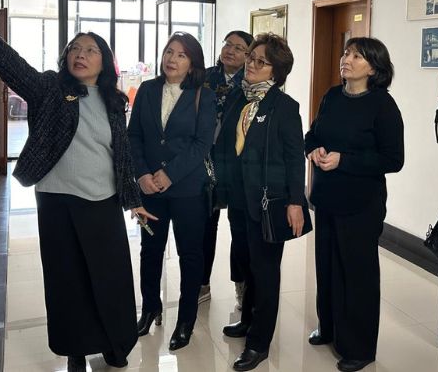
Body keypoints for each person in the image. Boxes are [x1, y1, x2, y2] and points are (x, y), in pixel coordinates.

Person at [0, 0, 154, 372]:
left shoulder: (114, 101)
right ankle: (75, 350)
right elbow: (16, 70)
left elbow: (122, 154)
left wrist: (133, 200)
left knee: (110, 277)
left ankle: (115, 343)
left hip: (102, 200)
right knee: (68, 280)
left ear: (104, 61)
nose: (81, 54)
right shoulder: (50, 89)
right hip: (57, 200)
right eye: (75, 48)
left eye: (91, 50)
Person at [305, 37, 404, 372]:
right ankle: (329, 328)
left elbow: (393, 159)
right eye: (346, 53)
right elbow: (313, 134)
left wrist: (344, 160)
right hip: (327, 198)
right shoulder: (332, 96)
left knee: (357, 274)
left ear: (374, 68)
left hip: (361, 203)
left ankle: (359, 348)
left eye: (357, 56)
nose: (346, 59)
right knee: (327, 266)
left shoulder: (382, 105)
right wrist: (313, 149)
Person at [214, 33, 306, 372]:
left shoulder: (285, 107)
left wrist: (296, 201)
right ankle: (248, 320)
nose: (250, 65)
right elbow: (227, 146)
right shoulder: (238, 97)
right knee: (247, 263)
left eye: (260, 61)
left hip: (270, 202)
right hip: (239, 198)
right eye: (251, 58)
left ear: (276, 72)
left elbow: (295, 158)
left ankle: (259, 342)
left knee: (266, 272)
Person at [128, 32, 216, 351]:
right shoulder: (147, 90)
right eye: (168, 52)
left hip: (187, 190)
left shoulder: (203, 95)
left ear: (192, 62)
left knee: (190, 254)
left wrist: (170, 174)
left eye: (181, 55)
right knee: (150, 250)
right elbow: (134, 136)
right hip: (149, 189)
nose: (172, 59)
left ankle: (186, 320)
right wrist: (141, 175)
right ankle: (150, 308)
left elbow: (202, 144)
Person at [200, 30, 254, 307]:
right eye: (227, 44)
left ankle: (241, 282)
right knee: (205, 223)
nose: (230, 50)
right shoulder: (203, 77)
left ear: (249, 56)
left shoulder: (251, 83)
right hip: (204, 160)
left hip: (236, 163)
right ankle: (201, 282)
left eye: (239, 47)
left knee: (240, 226)